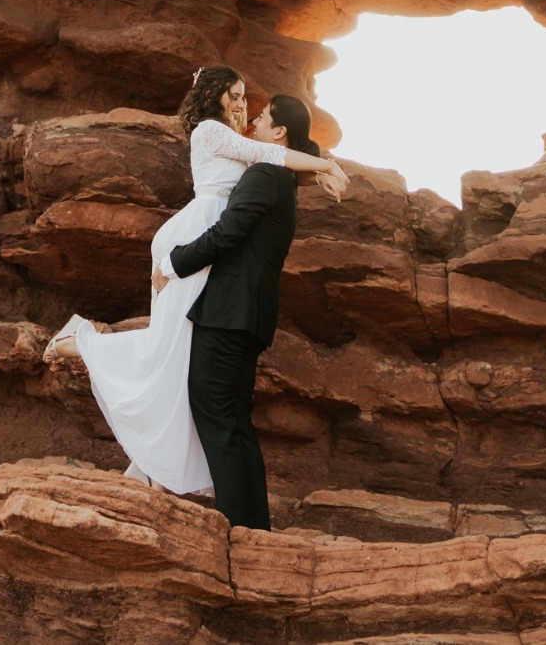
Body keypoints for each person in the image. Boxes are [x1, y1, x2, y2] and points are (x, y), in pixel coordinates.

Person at [43, 67, 345, 496]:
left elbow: (277, 162)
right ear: (215, 96)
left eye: (246, 97)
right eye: (235, 96)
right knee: (168, 347)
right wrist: (326, 164)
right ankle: (82, 340)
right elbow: (276, 156)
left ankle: (146, 466)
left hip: (205, 240)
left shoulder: (239, 142)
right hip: (194, 237)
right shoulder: (210, 130)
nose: (243, 105)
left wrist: (318, 171)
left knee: (178, 352)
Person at [155, 93, 321, 532]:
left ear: (280, 131)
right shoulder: (282, 179)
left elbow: (227, 232)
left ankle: (239, 530)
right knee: (233, 422)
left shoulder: (267, 173)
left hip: (229, 313)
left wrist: (173, 263)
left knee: (218, 417)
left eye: (263, 117)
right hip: (249, 314)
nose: (255, 123)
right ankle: (252, 528)